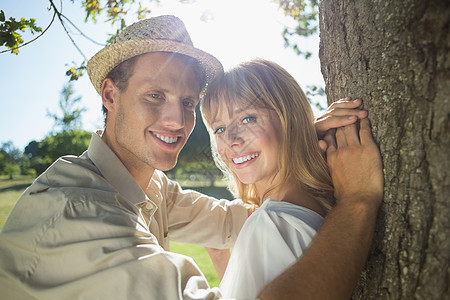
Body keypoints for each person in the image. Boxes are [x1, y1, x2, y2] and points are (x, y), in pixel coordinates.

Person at [0, 15, 383, 299]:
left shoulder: (151, 189)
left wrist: (290, 134)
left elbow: (237, 220)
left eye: (187, 102)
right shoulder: (80, 212)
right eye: (155, 96)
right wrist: (358, 201)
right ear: (111, 95)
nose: (177, 119)